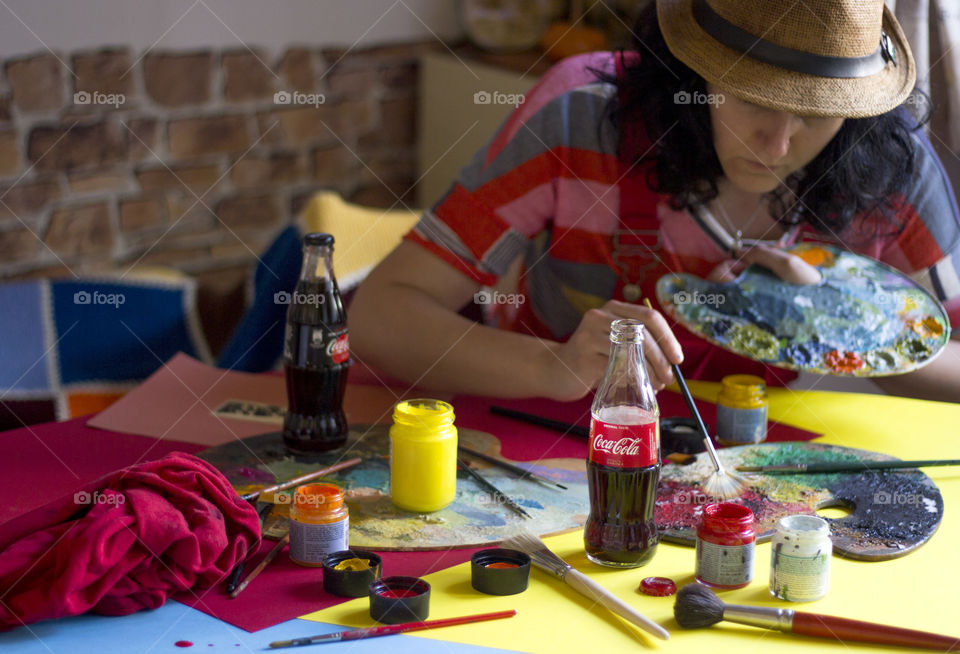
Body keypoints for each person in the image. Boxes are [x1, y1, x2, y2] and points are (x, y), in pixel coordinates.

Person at [350, 0, 960, 403]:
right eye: (751, 101)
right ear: (695, 71)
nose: (777, 144)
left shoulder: (889, 162)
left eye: (815, 115)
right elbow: (378, 316)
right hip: (554, 446)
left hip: (765, 472)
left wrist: (847, 324)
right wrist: (550, 367)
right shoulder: (581, 117)